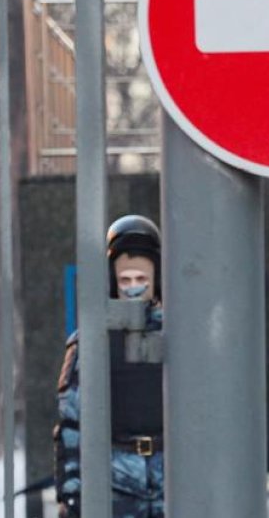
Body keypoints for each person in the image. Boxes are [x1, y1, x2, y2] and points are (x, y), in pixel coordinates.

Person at [53, 215, 166, 518]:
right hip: (116, 484)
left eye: (142, 279)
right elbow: (71, 424)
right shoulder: (91, 342)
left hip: (175, 479)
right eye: (125, 280)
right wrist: (73, 494)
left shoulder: (180, 337)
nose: (133, 288)